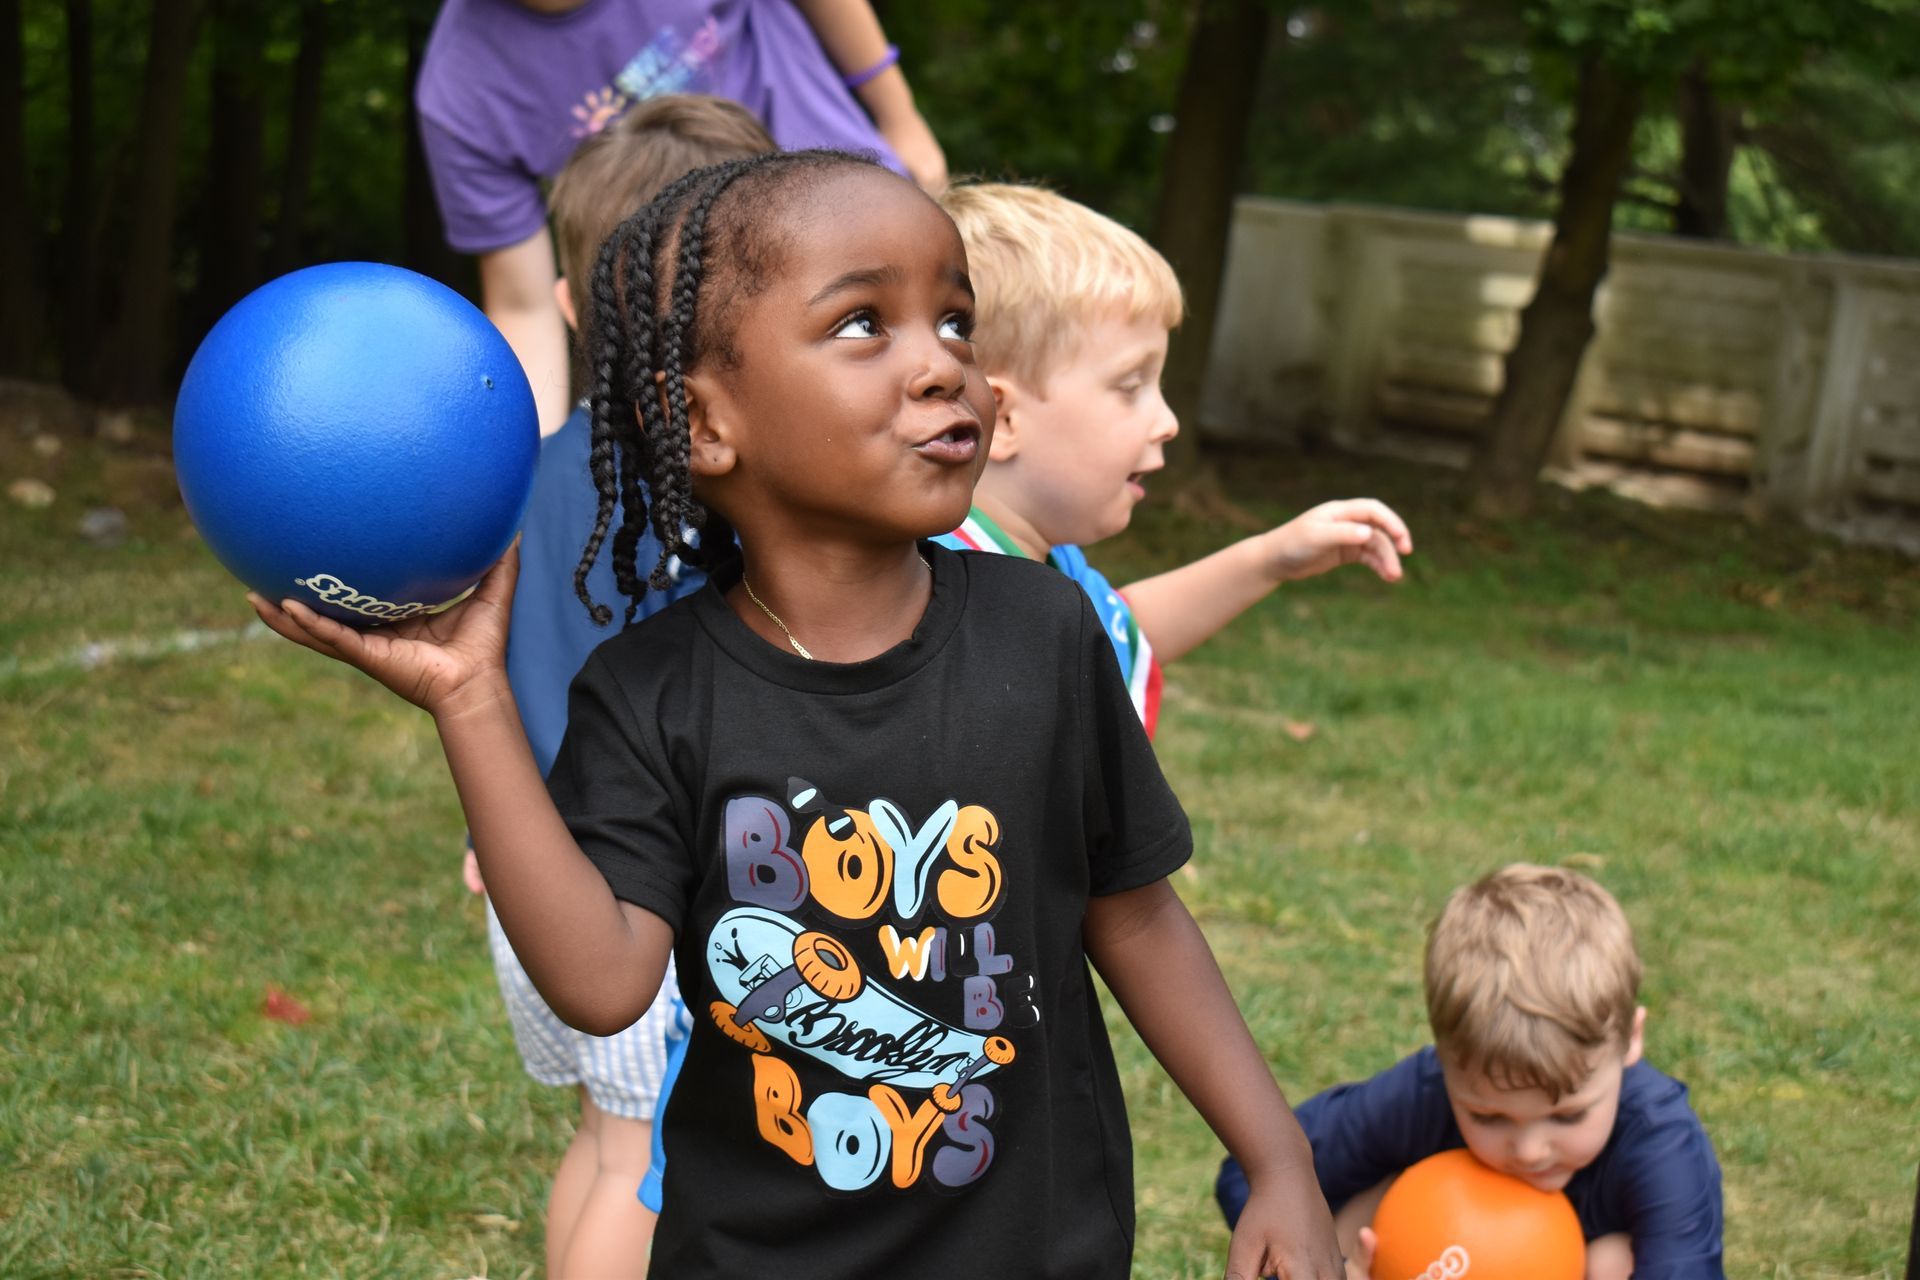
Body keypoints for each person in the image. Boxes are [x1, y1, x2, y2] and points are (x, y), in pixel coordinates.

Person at [249, 149, 1343, 1279]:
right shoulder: (649, 694)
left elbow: (1138, 917)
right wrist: (470, 700)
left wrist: (1280, 1159)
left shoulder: (1047, 632)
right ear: (706, 422)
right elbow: (600, 979)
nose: (945, 368)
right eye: (865, 323)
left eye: (955, 320)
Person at [458, 95, 775, 1279]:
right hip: (633, 898)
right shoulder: (710, 503)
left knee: (608, 1142)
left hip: (526, 877)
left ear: (577, 307)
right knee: (653, 1151)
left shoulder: (520, 481)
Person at [934, 183, 1412, 734]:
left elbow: (1115, 636)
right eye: (1130, 385)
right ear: (1003, 417)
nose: (1168, 422)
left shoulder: (1046, 563)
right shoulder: (930, 588)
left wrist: (1270, 559)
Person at [416, 0, 946, 435]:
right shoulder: (458, 89)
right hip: (708, 337)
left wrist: (899, 115)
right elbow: (523, 306)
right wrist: (529, 470)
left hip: (858, 217)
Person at [1216, 864, 1726, 1280]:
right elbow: (1251, 1177)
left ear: (1630, 1041)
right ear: (1444, 1057)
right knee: (1343, 1203)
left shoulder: (1661, 1143)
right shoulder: (1424, 1093)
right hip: (1425, 1262)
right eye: (1489, 1116)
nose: (1528, 1151)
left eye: (1567, 1116)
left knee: (1615, 1262)